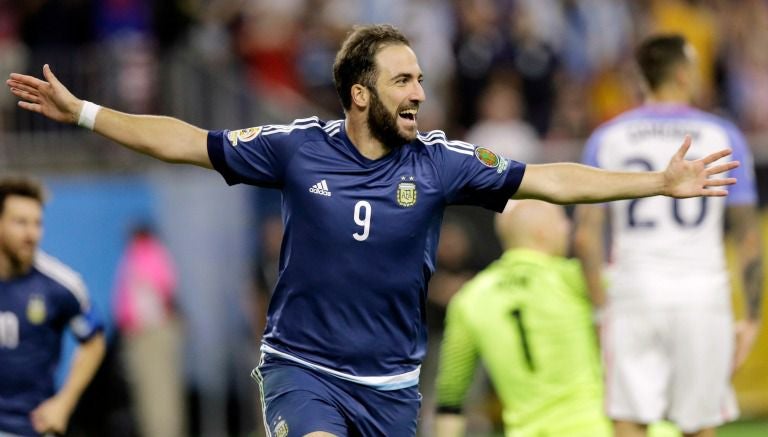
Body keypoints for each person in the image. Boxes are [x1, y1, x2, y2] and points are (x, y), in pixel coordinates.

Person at [6, 24, 740, 437]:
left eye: (419, 79)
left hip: (392, 384)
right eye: (401, 81)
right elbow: (186, 140)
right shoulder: (296, 147)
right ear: (360, 94)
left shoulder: (446, 162)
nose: (418, 91)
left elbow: (551, 177)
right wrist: (86, 113)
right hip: (304, 369)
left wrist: (658, 180)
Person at [573, 34, 763, 437]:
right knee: (698, 423)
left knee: (628, 417)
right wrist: (751, 316)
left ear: (642, 77)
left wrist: (600, 309)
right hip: (702, 294)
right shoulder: (723, 135)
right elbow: (748, 237)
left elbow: (587, 239)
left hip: (634, 291)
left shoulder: (607, 138)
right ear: (682, 73)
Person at [433, 200, 611, 437]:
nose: (567, 229)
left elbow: (450, 399)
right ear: (542, 232)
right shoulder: (575, 279)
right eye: (562, 223)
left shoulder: (470, 298)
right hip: (599, 427)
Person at [0, 176, 106, 437]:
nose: (31, 233)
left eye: (37, 223)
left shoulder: (61, 285)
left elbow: (93, 341)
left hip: (27, 429)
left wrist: (64, 403)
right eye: (20, 222)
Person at [112, 223, 186, 437]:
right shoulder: (152, 254)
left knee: (157, 394)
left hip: (150, 334)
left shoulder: (145, 254)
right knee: (155, 394)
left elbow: (157, 295)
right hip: (150, 334)